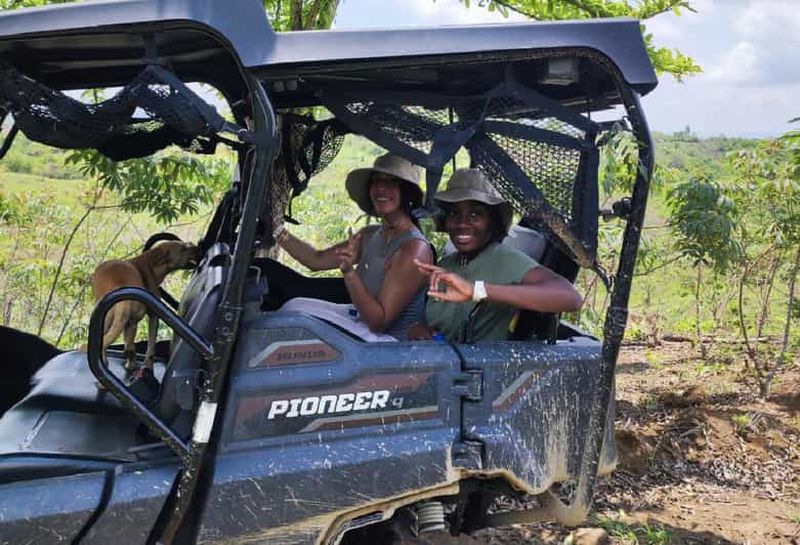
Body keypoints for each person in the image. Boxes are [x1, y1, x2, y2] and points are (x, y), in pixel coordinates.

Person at [409, 168, 582, 342]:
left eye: (475, 214)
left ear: (492, 221)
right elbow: (440, 325)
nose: (462, 223)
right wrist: (421, 330)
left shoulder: (504, 259)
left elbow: (571, 298)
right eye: (454, 213)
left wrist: (476, 290)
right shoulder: (447, 264)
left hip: (485, 366)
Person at [274, 153, 433, 341]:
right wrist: (277, 231)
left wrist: (350, 273)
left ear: (407, 192)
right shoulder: (371, 234)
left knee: (293, 320)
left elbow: (379, 322)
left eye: (391, 182)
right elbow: (315, 260)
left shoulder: (413, 249)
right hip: (360, 320)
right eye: (376, 181)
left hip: (388, 343)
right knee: (294, 306)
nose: (381, 188)